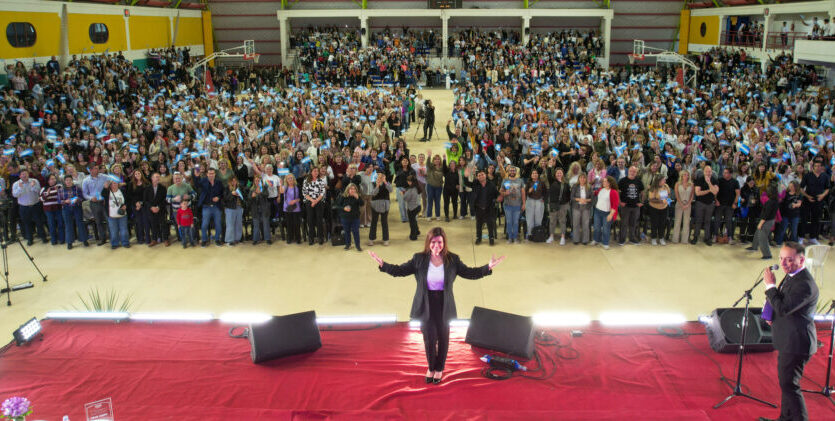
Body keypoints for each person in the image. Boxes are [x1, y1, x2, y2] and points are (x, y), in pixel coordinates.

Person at [368, 227, 505, 384]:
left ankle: (439, 369)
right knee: (429, 338)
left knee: (443, 337)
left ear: (444, 243)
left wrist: (487, 267)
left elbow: (469, 273)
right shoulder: (418, 259)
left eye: (439, 242)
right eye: (433, 242)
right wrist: (383, 265)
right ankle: (431, 367)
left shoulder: (453, 260)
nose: (436, 246)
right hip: (425, 304)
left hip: (444, 304)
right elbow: (400, 271)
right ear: (428, 242)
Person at [758, 242, 819, 421]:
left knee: (789, 385)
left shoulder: (805, 284)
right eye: (782, 258)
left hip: (797, 343)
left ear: (802, 260)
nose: (784, 263)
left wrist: (770, 287)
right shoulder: (792, 276)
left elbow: (784, 307)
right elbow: (784, 302)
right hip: (789, 339)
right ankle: (784, 418)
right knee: (786, 384)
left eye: (789, 260)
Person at [12, 169, 47, 246]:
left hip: (35, 205)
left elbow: (39, 191)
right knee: (27, 224)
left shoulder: (34, 181)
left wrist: (33, 186)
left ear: (28, 174)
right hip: (24, 207)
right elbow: (14, 195)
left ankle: (43, 237)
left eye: (26, 174)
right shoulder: (16, 184)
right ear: (20, 176)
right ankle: (30, 239)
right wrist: (20, 188)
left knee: (39, 222)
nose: (24, 176)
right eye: (22, 174)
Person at [467, 169, 499, 246]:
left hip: (489, 208)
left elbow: (496, 194)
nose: (481, 176)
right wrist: (466, 175)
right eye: (479, 175)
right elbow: (467, 183)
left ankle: (491, 238)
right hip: (478, 207)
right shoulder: (475, 183)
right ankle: (479, 238)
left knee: (490, 223)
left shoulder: (491, 185)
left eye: (482, 174)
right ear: (477, 177)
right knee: (479, 224)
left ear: (486, 175)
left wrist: (499, 197)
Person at [57, 174, 88, 249]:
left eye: (70, 180)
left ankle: (84, 240)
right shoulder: (61, 190)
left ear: (72, 181)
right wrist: (65, 201)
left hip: (77, 208)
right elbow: (58, 200)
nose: (68, 182)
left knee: (80, 224)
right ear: (64, 181)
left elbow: (82, 198)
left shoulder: (77, 188)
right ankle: (70, 242)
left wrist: (78, 199)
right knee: (68, 225)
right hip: (66, 209)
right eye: (67, 180)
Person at [748, 184, 778, 259]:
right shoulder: (775, 200)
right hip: (769, 220)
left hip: (766, 221)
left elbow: (766, 214)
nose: (766, 191)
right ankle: (754, 247)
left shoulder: (770, 202)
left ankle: (767, 254)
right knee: (757, 233)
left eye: (767, 191)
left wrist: (760, 223)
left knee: (762, 238)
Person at [82, 164, 108, 245]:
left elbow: (112, 181)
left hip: (104, 201)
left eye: (97, 168)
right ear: (90, 170)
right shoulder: (86, 180)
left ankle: (113, 237)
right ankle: (102, 238)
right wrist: (90, 198)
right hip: (94, 203)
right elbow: (84, 194)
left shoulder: (104, 176)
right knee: (98, 222)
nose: (97, 170)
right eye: (95, 168)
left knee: (108, 220)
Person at [692, 166, 719, 246]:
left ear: (712, 172)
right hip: (700, 203)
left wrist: (709, 183)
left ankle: (707, 238)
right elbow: (697, 193)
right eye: (706, 171)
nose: (708, 173)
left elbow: (715, 192)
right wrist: (709, 190)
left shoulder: (714, 180)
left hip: (710, 203)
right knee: (698, 221)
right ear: (703, 172)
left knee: (708, 221)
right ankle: (695, 237)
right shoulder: (699, 179)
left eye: (709, 171)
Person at [617, 166, 643, 245]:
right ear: (628, 171)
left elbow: (642, 193)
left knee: (633, 223)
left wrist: (641, 202)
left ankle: (632, 238)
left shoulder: (638, 181)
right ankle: (622, 239)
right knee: (624, 223)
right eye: (631, 171)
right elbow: (617, 192)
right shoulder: (622, 181)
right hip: (625, 206)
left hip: (635, 207)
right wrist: (620, 202)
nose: (632, 172)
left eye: (634, 171)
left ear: (636, 173)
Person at [592, 176, 620, 249]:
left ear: (610, 183)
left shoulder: (613, 192)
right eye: (603, 181)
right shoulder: (601, 189)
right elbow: (595, 193)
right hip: (597, 212)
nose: (604, 182)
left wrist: (611, 214)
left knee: (605, 229)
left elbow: (615, 205)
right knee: (596, 228)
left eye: (605, 181)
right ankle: (596, 240)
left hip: (607, 213)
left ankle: (605, 243)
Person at [714, 168, 740, 245]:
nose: (724, 174)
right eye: (724, 172)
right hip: (720, 204)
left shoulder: (735, 182)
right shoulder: (719, 180)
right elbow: (715, 191)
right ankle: (715, 235)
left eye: (726, 173)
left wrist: (735, 203)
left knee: (729, 221)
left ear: (730, 174)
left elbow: (738, 193)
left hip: (730, 205)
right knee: (717, 220)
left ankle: (730, 237)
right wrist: (716, 200)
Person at [500, 165, 525, 244]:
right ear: (508, 172)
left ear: (516, 172)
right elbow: (500, 191)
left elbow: (523, 193)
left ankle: (515, 237)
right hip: (507, 205)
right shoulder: (505, 181)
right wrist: (504, 193)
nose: (512, 172)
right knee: (509, 222)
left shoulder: (520, 181)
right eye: (511, 170)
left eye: (514, 170)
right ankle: (510, 238)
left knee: (516, 222)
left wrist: (524, 203)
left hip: (517, 205)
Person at [303, 166, 327, 246]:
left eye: (317, 171)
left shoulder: (321, 181)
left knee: (319, 220)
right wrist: (312, 200)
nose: (316, 172)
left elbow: (322, 192)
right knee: (310, 220)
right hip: (309, 201)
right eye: (314, 171)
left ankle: (320, 237)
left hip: (319, 202)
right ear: (311, 172)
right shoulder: (306, 180)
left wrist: (316, 201)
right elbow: (304, 193)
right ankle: (311, 238)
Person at [103, 180, 130, 249]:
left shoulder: (122, 191)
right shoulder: (107, 192)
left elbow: (127, 200)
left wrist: (126, 206)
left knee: (124, 230)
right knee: (113, 231)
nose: (114, 185)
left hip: (122, 215)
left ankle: (125, 242)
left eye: (115, 183)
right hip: (112, 216)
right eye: (112, 184)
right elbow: (102, 194)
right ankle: (114, 243)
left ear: (118, 184)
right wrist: (105, 187)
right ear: (110, 185)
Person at [547, 167, 570, 245]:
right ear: (555, 174)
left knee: (562, 221)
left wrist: (566, 203)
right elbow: (549, 175)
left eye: (560, 172)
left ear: (563, 174)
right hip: (553, 205)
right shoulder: (552, 181)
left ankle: (563, 237)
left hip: (563, 206)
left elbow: (568, 195)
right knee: (552, 221)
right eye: (557, 173)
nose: (559, 174)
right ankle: (551, 236)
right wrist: (550, 167)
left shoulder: (566, 184)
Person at [144, 173, 169, 247]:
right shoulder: (147, 188)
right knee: (153, 225)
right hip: (151, 210)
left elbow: (164, 200)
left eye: (159, 177)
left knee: (163, 224)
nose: (158, 178)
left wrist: (158, 207)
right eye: (156, 177)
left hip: (160, 209)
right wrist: (151, 207)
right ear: (152, 178)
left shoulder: (163, 188)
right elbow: (145, 200)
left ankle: (165, 239)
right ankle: (154, 239)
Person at [39, 174, 64, 246]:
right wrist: (47, 194)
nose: (53, 180)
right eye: (51, 179)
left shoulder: (59, 186)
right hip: (48, 209)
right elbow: (41, 199)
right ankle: (54, 240)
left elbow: (63, 197)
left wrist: (58, 191)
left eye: (54, 179)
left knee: (60, 224)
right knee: (51, 224)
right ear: (48, 181)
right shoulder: (44, 188)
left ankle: (62, 239)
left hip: (58, 207)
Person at [337, 183, 363, 251]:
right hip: (345, 218)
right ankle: (348, 245)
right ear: (348, 190)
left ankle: (358, 246)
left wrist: (358, 198)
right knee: (347, 232)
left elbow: (362, 204)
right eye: (351, 189)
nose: (352, 190)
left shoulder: (357, 196)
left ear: (356, 190)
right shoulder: (343, 196)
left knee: (356, 232)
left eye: (354, 189)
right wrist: (344, 208)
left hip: (355, 218)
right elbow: (338, 206)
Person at [369, 172, 392, 246]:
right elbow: (373, 193)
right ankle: (371, 239)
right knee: (374, 222)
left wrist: (385, 182)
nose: (380, 178)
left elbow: (390, 190)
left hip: (385, 204)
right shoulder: (373, 184)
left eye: (382, 177)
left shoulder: (387, 183)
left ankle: (385, 239)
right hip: (375, 204)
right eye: (378, 177)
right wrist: (377, 186)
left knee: (384, 222)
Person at [646, 176, 670, 246]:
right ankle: (653, 238)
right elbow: (651, 199)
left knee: (662, 223)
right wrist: (660, 201)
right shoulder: (653, 188)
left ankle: (661, 238)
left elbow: (668, 195)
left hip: (664, 208)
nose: (665, 181)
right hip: (654, 208)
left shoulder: (666, 186)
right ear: (658, 181)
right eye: (663, 180)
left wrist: (668, 201)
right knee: (654, 223)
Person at [672, 170, 694, 244]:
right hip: (679, 204)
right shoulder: (677, 184)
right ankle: (675, 239)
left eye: (687, 175)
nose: (686, 176)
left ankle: (684, 240)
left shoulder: (691, 184)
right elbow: (676, 195)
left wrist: (688, 204)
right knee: (677, 221)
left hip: (688, 204)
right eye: (684, 175)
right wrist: (681, 204)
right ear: (681, 176)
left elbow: (692, 195)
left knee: (686, 222)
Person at [249, 175, 272, 246]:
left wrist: (260, 192)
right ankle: (256, 239)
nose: (257, 182)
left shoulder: (264, 187)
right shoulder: (251, 189)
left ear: (260, 181)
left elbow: (267, 195)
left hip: (264, 209)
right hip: (255, 209)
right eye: (256, 180)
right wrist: (252, 197)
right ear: (254, 181)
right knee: (256, 225)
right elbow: (249, 200)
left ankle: (267, 239)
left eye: (258, 181)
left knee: (266, 224)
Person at [524, 169, 546, 240]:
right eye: (533, 173)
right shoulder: (528, 182)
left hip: (539, 201)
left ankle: (537, 233)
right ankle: (530, 234)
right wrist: (529, 191)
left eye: (536, 173)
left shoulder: (541, 183)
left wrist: (544, 199)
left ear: (538, 175)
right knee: (529, 218)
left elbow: (545, 192)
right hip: (530, 201)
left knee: (538, 218)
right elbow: (524, 193)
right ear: (531, 175)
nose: (534, 174)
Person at [571, 172, 593, 245]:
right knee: (576, 223)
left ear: (586, 179)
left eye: (584, 178)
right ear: (578, 179)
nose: (582, 179)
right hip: (576, 207)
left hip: (586, 207)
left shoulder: (589, 187)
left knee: (585, 224)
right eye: (581, 177)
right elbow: (572, 197)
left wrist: (586, 200)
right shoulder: (575, 186)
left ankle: (585, 240)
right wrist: (579, 199)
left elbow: (592, 198)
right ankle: (576, 239)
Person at [223, 176, 245, 245]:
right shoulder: (227, 188)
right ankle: (229, 240)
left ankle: (237, 239)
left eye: (235, 181)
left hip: (239, 207)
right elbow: (225, 198)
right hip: (230, 208)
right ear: (229, 182)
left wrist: (239, 195)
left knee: (238, 224)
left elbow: (244, 197)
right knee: (230, 224)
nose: (234, 182)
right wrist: (231, 194)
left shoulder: (240, 188)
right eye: (232, 181)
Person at [282, 173, 303, 245]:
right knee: (289, 224)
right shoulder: (285, 187)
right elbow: (281, 192)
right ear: (286, 180)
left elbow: (302, 197)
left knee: (296, 224)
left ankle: (298, 238)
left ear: (294, 179)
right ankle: (289, 238)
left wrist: (295, 200)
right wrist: (280, 183)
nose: (290, 179)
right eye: (288, 178)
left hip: (296, 208)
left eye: (291, 178)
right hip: (287, 208)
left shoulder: (298, 187)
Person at [404, 175, 422, 241]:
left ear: (411, 182)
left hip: (412, 208)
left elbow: (406, 198)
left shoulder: (411, 189)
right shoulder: (418, 188)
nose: (407, 182)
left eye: (408, 181)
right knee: (414, 220)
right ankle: (417, 231)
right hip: (418, 206)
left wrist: (403, 194)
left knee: (412, 222)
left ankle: (413, 236)